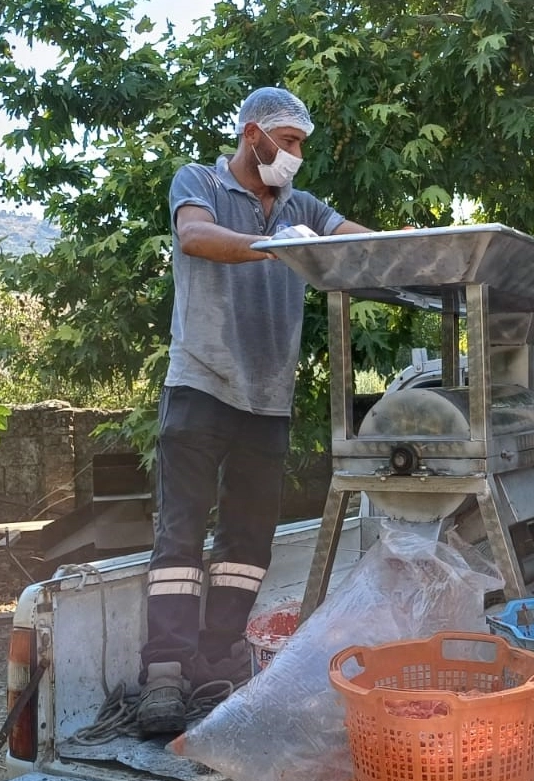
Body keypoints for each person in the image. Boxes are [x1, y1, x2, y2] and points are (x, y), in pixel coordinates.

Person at [138, 87, 371, 735]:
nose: (295, 156)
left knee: (246, 543)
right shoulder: (201, 181)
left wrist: (409, 248)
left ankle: (216, 665)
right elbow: (195, 237)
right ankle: (164, 675)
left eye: (300, 145)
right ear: (252, 134)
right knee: (180, 538)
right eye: (287, 143)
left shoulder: (301, 206)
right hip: (200, 385)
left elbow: (357, 242)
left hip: (268, 399)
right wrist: (278, 247)